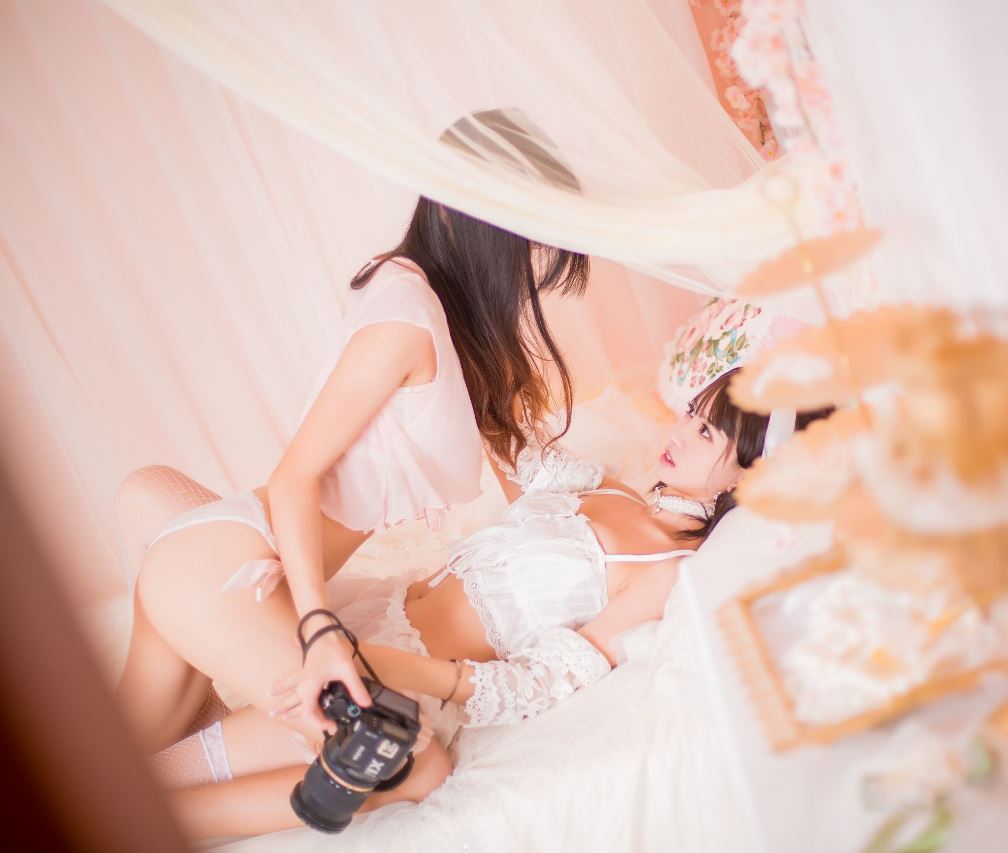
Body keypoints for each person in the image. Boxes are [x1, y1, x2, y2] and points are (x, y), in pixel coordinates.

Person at [113, 112, 590, 792]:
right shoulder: (406, 316)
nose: (521, 272)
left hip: (236, 569)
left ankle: (137, 780)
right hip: (227, 573)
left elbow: (521, 483)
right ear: (454, 214)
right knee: (416, 766)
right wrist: (319, 630)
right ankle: (138, 800)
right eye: (515, 246)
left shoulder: (436, 311)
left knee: (107, 757)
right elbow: (293, 477)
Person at [162, 367, 833, 839]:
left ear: (751, 475)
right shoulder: (611, 489)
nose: (679, 432)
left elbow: (540, 681)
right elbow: (499, 434)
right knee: (161, 503)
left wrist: (384, 664)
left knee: (160, 784)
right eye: (692, 413)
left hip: (397, 677)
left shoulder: (665, 571)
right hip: (368, 610)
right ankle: (201, 711)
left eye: (708, 434)